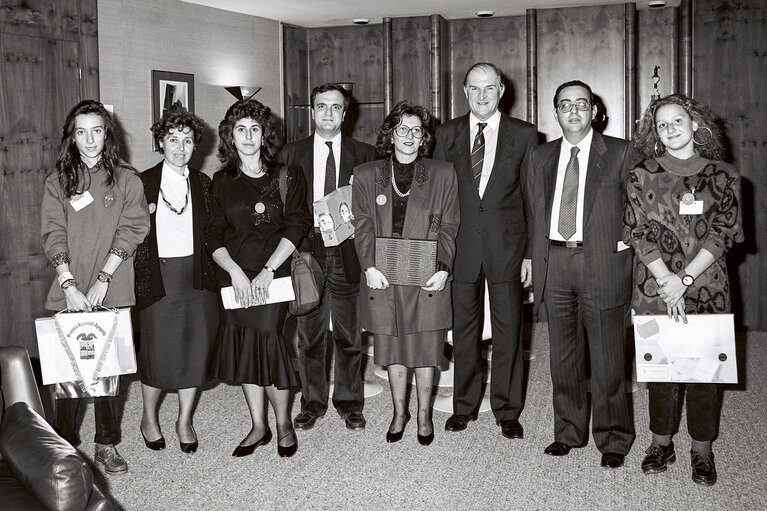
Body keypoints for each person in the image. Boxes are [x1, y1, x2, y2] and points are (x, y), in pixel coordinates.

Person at [625, 93, 743, 485]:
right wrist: (666, 281)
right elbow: (638, 231)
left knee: (703, 372)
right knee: (661, 370)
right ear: (655, 134)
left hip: (706, 285)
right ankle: (661, 442)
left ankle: (702, 449)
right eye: (662, 125)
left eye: (678, 121)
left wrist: (685, 280)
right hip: (655, 285)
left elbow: (724, 232)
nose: (671, 129)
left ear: (695, 125)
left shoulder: (723, 175)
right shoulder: (640, 174)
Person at [527, 80, 635, 468]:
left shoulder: (621, 152)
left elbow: (638, 209)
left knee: (608, 358)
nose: (573, 111)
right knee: (563, 356)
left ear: (595, 111)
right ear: (555, 112)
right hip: (555, 262)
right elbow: (533, 209)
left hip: (601, 263)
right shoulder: (540, 156)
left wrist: (622, 245)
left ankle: (613, 439)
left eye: (581, 104)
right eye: (565, 105)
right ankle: (568, 432)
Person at [41, 99, 150, 473]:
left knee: (109, 373)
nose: (90, 139)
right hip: (68, 287)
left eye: (97, 130)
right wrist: (69, 283)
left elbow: (133, 228)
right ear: (71, 137)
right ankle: (64, 447)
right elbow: (53, 233)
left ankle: (106, 444)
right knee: (67, 374)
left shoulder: (126, 179)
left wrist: (104, 278)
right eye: (81, 132)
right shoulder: (57, 182)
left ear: (108, 133)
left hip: (113, 286)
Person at [432, 62, 537, 439]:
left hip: (507, 247)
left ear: (501, 90)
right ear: (464, 91)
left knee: (510, 331)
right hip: (460, 248)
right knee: (464, 332)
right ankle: (464, 406)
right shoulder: (446, 134)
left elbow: (532, 199)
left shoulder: (524, 135)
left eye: (488, 88)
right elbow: (438, 198)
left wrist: (529, 254)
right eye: (474, 88)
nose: (481, 95)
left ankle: (508, 410)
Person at [205, 99, 312, 457]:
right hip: (235, 278)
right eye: (240, 129)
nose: (248, 136)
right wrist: (234, 271)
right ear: (230, 137)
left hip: (274, 275)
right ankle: (257, 425)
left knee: (270, 344)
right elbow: (213, 234)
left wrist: (267, 271)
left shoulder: (288, 174)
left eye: (255, 128)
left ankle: (282, 424)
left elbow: (298, 223)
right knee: (245, 347)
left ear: (264, 133)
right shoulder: (221, 181)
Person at [353, 100, 459, 445]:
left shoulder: (442, 173)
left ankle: (425, 416)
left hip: (427, 274)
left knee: (427, 346)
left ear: (424, 136)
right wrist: (368, 265)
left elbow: (449, 226)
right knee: (394, 346)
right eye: (402, 129)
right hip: (383, 275)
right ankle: (400, 411)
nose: (410, 136)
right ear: (391, 134)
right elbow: (363, 224)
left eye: (417, 130)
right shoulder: (368, 174)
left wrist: (443, 268)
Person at [277, 83, 376, 431]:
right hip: (308, 252)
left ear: (345, 113)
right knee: (310, 335)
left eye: (336, 107)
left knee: (349, 334)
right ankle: (312, 402)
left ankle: (350, 403)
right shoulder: (290, 153)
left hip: (348, 251)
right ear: (312, 111)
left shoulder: (365, 154)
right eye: (322, 107)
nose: (329, 113)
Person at [134, 107, 218, 454]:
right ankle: (148, 417)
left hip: (198, 277)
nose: (180, 148)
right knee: (158, 350)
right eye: (172, 140)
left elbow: (215, 233)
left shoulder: (203, 183)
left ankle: (184, 419)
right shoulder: (142, 182)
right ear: (160, 143)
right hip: (159, 276)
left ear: (195, 145)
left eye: (187, 141)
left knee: (194, 350)